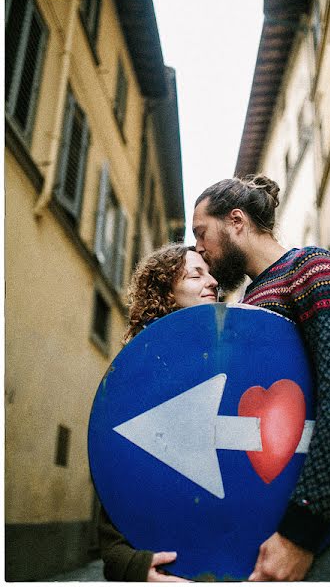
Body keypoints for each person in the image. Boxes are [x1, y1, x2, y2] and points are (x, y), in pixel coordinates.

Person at [192, 174, 330, 582]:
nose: (199, 250)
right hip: (255, 531)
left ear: (236, 221)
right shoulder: (245, 302)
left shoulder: (313, 268)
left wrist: (300, 535)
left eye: (202, 233)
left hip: (315, 538)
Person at [97, 243, 218, 582]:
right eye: (196, 275)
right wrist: (133, 566)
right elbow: (114, 485)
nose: (212, 282)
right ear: (165, 291)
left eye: (211, 274)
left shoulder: (226, 361)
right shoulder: (135, 376)